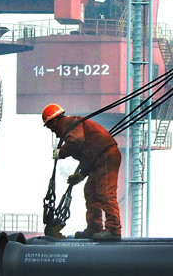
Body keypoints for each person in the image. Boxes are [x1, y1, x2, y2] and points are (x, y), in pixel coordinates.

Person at [42, 103, 122, 241]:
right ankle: (94, 228)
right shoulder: (71, 126)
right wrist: (81, 174)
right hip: (98, 159)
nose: (53, 132)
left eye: (50, 127)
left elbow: (76, 141)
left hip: (106, 156)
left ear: (54, 121)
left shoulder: (69, 123)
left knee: (105, 192)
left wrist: (61, 153)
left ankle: (114, 229)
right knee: (90, 192)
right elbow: (88, 154)